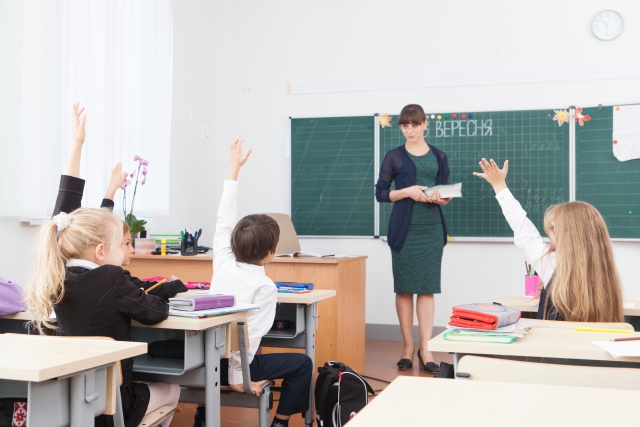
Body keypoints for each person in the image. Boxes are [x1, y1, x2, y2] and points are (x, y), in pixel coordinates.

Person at [27, 102, 181, 427]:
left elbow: (73, 219)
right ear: (100, 251)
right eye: (121, 244)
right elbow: (154, 311)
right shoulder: (111, 276)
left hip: (67, 402)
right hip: (112, 407)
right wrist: (166, 295)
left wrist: (77, 147)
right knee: (173, 389)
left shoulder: (53, 275)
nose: (125, 250)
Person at [193, 139, 312, 427]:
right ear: (271, 253)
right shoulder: (265, 287)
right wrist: (239, 379)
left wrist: (233, 168)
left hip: (205, 358)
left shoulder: (222, 260)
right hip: (232, 367)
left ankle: (203, 415)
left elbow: (224, 217)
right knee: (303, 363)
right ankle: (280, 422)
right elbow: (249, 339)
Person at [473, 158, 624, 322]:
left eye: (551, 234)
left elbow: (522, 227)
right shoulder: (605, 273)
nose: (548, 241)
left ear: (566, 239)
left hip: (552, 338)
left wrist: (499, 185)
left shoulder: (552, 263)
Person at [375, 104, 451, 373]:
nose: (410, 130)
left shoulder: (439, 156)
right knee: (405, 288)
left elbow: (445, 193)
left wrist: (442, 198)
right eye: (405, 126)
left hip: (431, 229)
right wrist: (407, 191)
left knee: (427, 289)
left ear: (425, 124)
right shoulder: (394, 156)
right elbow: (381, 193)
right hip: (404, 231)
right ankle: (408, 347)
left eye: (415, 125)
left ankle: (425, 348)